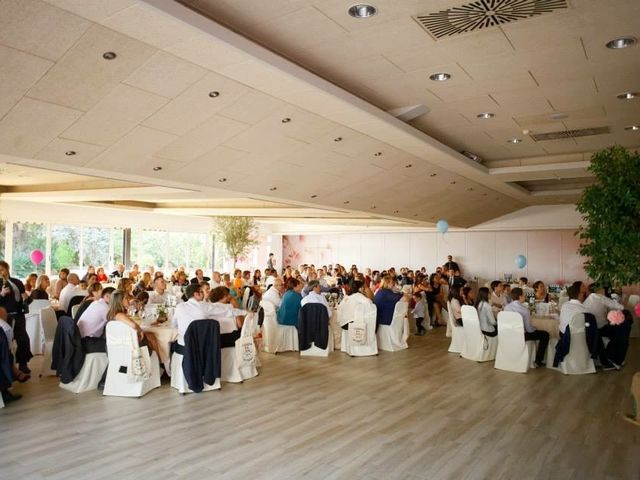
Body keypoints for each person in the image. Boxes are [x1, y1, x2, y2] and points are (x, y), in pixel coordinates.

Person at [583, 284, 632, 370]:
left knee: (616, 328)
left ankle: (614, 356)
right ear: (598, 290)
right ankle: (613, 358)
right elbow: (621, 307)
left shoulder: (587, 300)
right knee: (622, 329)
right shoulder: (600, 297)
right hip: (600, 329)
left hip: (590, 330)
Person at [0, 261, 32, 374]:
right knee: (7, 341)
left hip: (19, 314)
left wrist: (27, 298)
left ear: (7, 269)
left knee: (23, 339)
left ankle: (23, 364)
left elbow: (25, 296)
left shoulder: (17, 282)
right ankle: (8, 367)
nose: (1, 273)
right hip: (4, 316)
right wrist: (2, 294)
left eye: (2, 270)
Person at [505, 287, 549, 367]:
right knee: (545, 334)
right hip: (521, 335)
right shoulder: (525, 310)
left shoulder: (506, 307)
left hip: (508, 333)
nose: (525, 297)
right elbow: (529, 330)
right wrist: (535, 328)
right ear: (520, 297)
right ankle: (538, 361)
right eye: (524, 295)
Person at [77, 287, 115, 352]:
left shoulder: (96, 303)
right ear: (107, 296)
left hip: (80, 338)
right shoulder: (104, 307)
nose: (116, 301)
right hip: (87, 342)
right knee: (115, 346)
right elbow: (116, 323)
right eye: (115, 298)